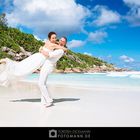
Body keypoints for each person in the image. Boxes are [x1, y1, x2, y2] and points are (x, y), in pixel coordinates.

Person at [0, 32, 67, 87]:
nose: (54, 39)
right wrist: (65, 48)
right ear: (49, 38)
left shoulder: (48, 42)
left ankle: (7, 62)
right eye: (53, 38)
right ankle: (7, 61)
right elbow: (64, 48)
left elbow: (55, 45)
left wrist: (41, 49)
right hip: (39, 59)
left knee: (23, 65)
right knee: (26, 69)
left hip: (37, 56)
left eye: (55, 38)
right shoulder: (53, 45)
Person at [38, 36, 67, 107]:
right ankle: (43, 101)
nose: (61, 41)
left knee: (41, 83)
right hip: (46, 65)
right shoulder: (58, 48)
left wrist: (41, 50)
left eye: (63, 41)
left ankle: (49, 100)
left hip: (48, 66)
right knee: (43, 83)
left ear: (65, 43)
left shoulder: (60, 51)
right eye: (61, 40)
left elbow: (49, 55)